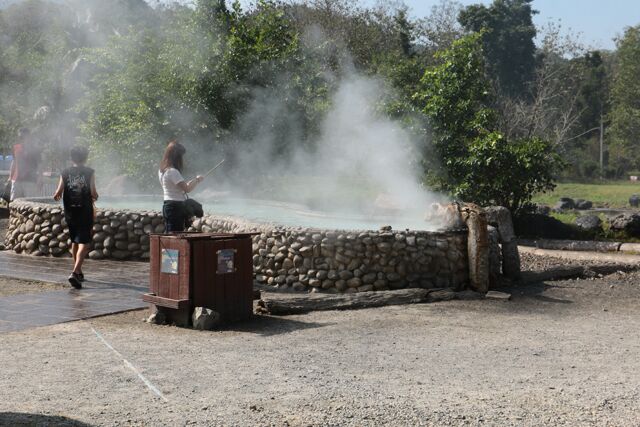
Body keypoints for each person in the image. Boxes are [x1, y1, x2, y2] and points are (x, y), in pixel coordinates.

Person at [53, 146, 98, 289]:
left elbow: (57, 193)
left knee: (75, 240)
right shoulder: (89, 172)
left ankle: (78, 272)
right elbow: (93, 192)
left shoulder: (65, 172)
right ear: (86, 158)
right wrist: (95, 196)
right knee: (84, 242)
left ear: (71, 158)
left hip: (70, 212)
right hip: (85, 211)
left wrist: (59, 195)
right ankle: (74, 272)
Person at [159, 140, 203, 232]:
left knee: (170, 234)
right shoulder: (173, 171)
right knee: (175, 235)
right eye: (181, 156)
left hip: (168, 205)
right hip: (175, 207)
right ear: (177, 157)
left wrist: (193, 181)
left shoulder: (162, 170)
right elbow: (187, 189)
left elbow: (176, 188)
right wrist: (197, 180)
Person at [7, 128, 41, 201]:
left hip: (30, 180)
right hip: (16, 180)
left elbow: (40, 164)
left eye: (22, 136)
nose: (20, 138)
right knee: (13, 202)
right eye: (19, 136)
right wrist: (10, 176)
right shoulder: (16, 147)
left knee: (30, 202)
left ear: (28, 136)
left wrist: (40, 178)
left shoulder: (35, 149)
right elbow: (14, 162)